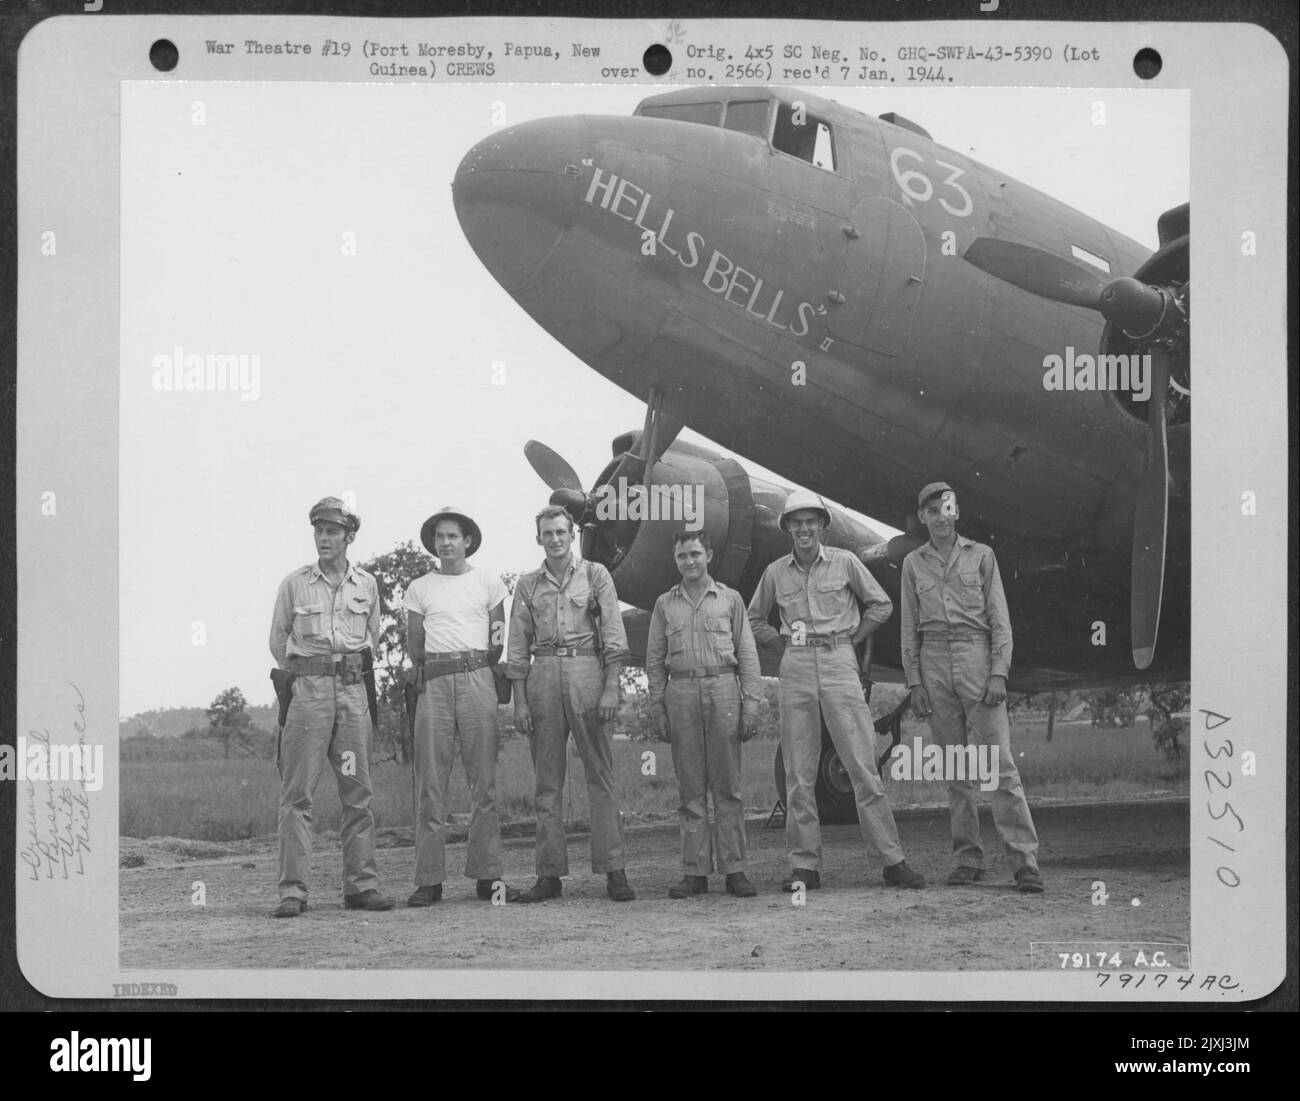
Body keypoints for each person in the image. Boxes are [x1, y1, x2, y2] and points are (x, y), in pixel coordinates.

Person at [748, 488, 925, 891]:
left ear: (822, 526)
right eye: (797, 522)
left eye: (812, 521)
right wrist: (782, 647)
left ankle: (892, 861)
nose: (805, 528)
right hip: (795, 667)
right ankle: (804, 867)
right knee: (799, 772)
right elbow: (755, 617)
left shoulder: (845, 563)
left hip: (838, 660)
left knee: (862, 764)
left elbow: (881, 604)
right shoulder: (776, 572)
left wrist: (853, 638)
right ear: (788, 528)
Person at [901, 482, 1043, 893]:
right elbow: (909, 628)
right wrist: (915, 682)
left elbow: (1000, 618)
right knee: (955, 768)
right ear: (923, 517)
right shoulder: (913, 563)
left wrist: (999, 670)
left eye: (947, 508)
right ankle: (967, 857)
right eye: (932, 510)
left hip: (977, 656)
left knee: (999, 764)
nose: (941, 516)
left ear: (956, 512)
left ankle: (1024, 861)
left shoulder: (982, 556)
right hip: (934, 663)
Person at [268, 497, 395, 917]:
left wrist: (347, 671)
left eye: (333, 532)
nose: (324, 538)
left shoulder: (368, 585)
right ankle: (293, 892)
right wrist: (308, 675)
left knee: (357, 792)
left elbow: (373, 634)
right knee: (297, 795)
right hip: (308, 692)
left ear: (349, 537)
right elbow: (278, 640)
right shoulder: (294, 583)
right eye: (319, 531)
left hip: (353, 690)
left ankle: (361, 886)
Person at [506, 505, 635, 903]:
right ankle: (549, 875)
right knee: (547, 781)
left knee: (600, 774)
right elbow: (516, 649)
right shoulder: (527, 586)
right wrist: (520, 703)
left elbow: (614, 636)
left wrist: (611, 688)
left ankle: (614, 870)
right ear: (539, 537)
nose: (556, 539)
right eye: (548, 533)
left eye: (562, 532)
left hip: (586, 672)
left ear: (572, 533)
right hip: (543, 672)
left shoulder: (596, 576)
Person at [404, 505, 521, 905]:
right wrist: (439, 666)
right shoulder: (419, 588)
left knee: (483, 782)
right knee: (430, 782)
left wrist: (474, 668)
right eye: (440, 537)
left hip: (478, 677)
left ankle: (488, 877)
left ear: (467, 541)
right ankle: (429, 879)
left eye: (453, 536)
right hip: (434, 681)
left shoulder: (489, 583)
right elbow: (414, 644)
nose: (446, 543)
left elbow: (497, 637)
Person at [645, 531, 762, 898]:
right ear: (675, 559)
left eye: (695, 553)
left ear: (709, 554)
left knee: (728, 786)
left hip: (722, 688)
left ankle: (735, 870)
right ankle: (694, 872)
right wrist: (658, 706)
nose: (689, 561)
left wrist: (752, 703)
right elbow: (653, 661)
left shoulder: (730, 600)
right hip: (680, 692)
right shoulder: (665, 604)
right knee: (691, 787)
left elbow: (747, 655)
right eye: (682, 556)